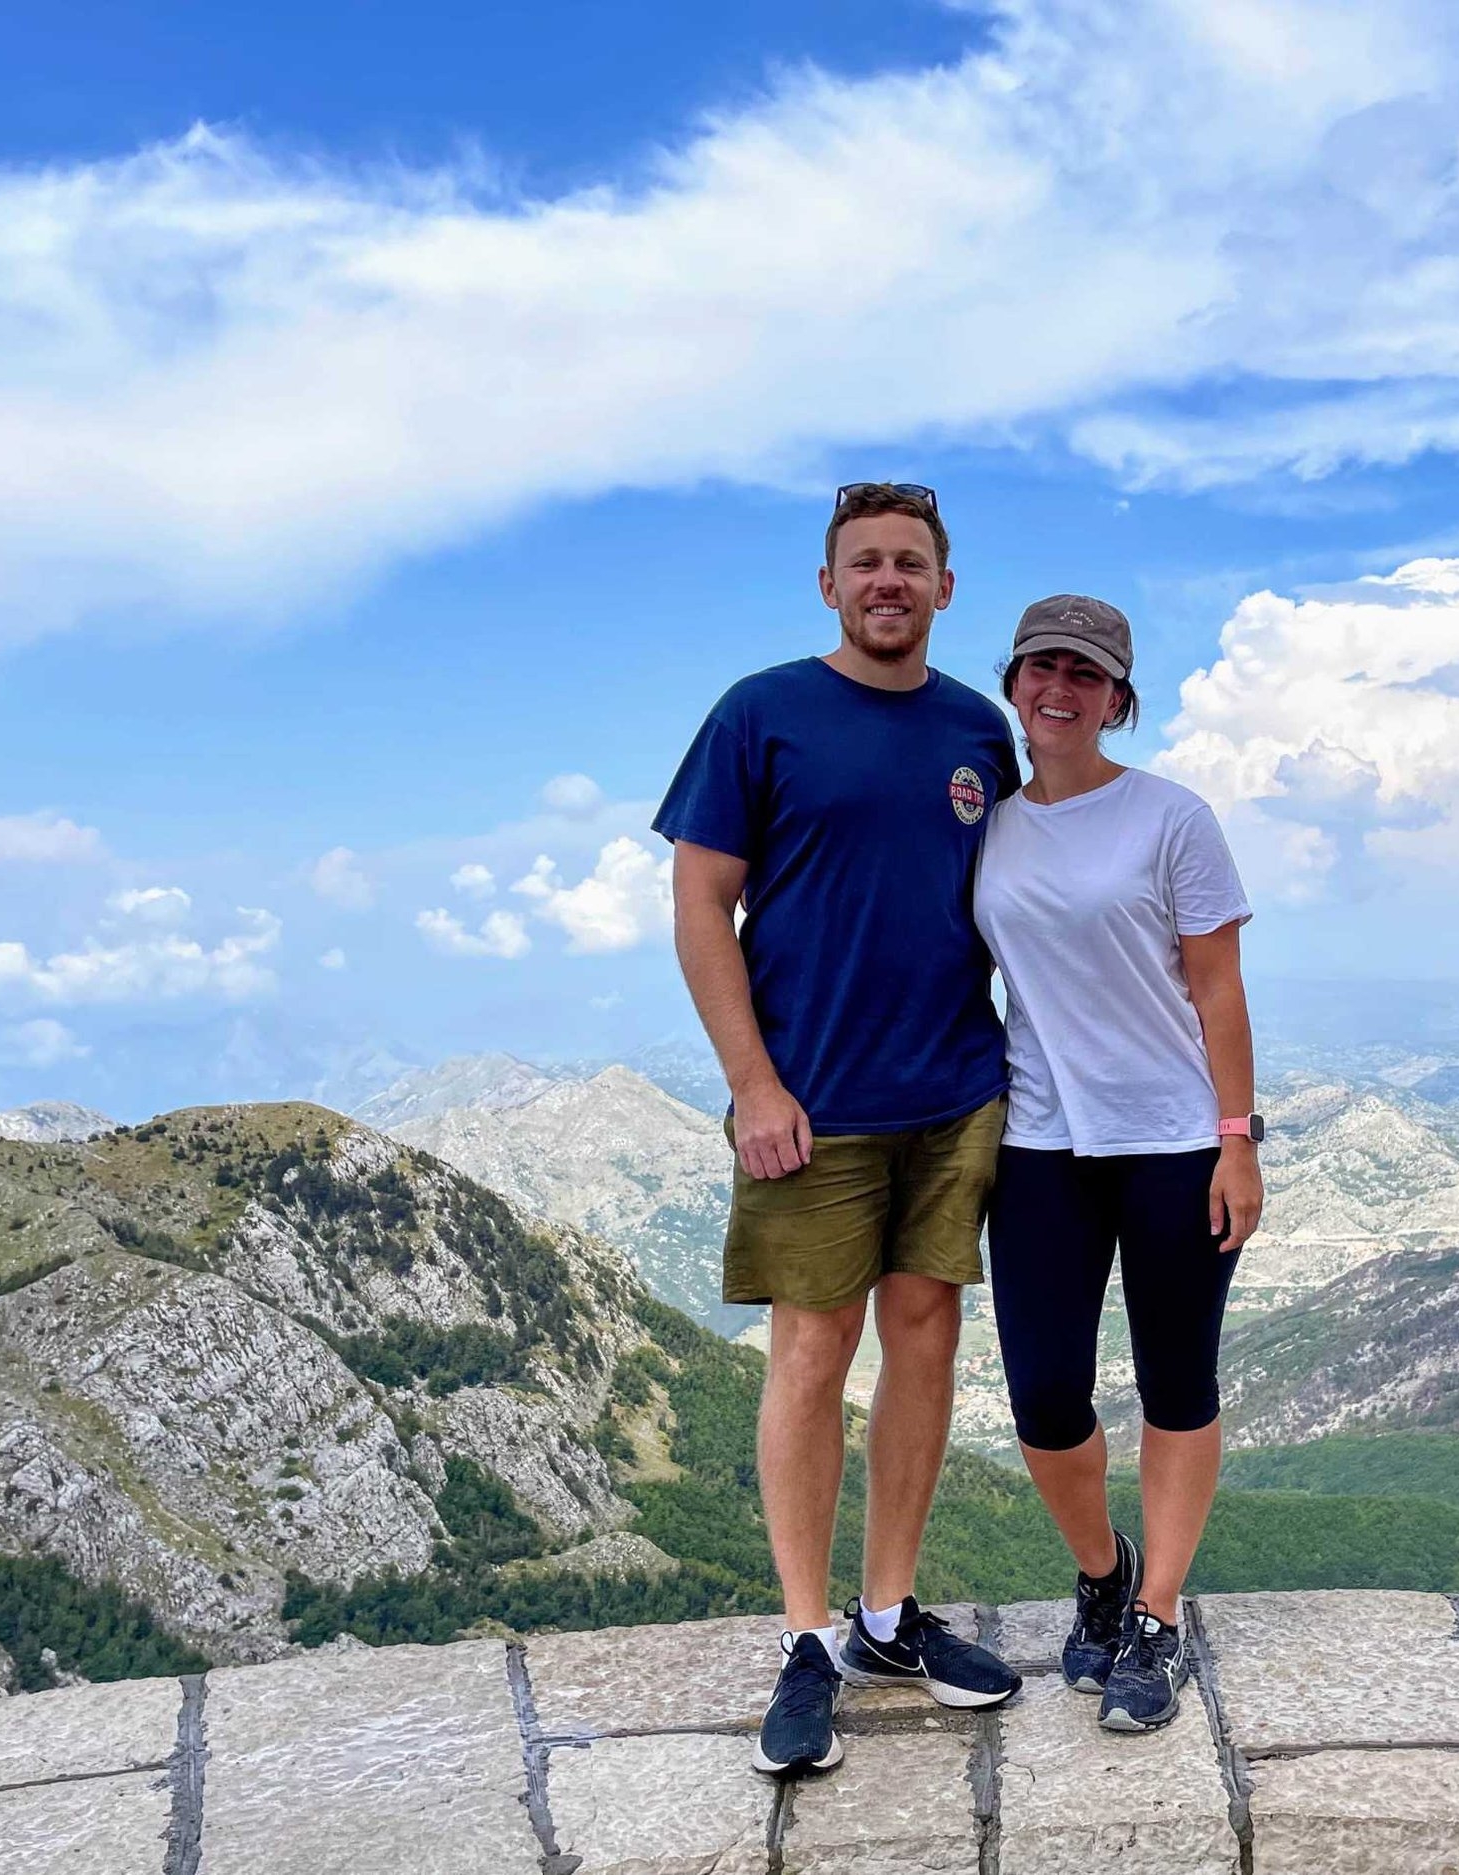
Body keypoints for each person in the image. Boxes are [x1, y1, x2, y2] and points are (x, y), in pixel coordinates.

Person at [654, 482, 1022, 1778]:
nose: (887, 579)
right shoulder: (761, 715)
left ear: (943, 586)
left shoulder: (981, 730)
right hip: (809, 1103)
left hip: (956, 1094)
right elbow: (700, 904)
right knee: (812, 1355)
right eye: (864, 561)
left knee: (927, 1338)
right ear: (829, 584)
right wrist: (752, 1083)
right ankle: (807, 1635)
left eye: (910, 561)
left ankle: (886, 1615)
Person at [972, 594, 1263, 1734]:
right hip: (1039, 1138)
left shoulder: (1171, 819)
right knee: (1044, 1394)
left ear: (1117, 698)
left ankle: (1154, 1614)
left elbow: (1219, 988)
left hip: (1177, 1140)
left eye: (1086, 674)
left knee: (1176, 1381)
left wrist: (1237, 1141)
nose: (1060, 687)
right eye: (1042, 664)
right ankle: (1098, 1571)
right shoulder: (985, 823)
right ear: (1014, 681)